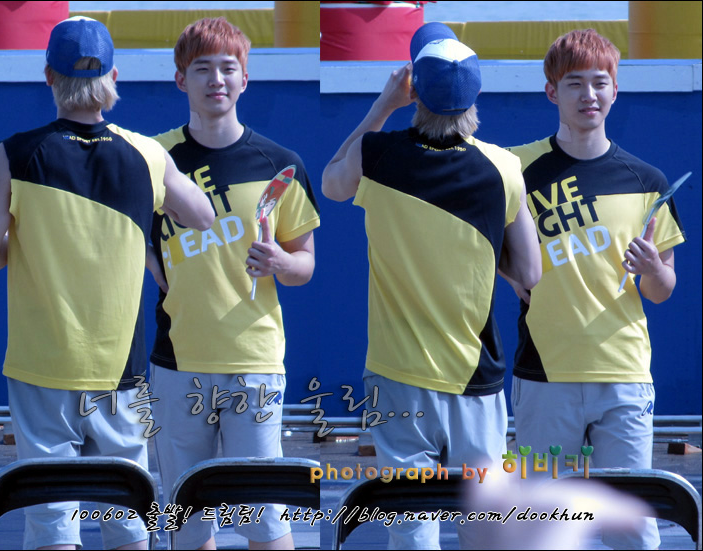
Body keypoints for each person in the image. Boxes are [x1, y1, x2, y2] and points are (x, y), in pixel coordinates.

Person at [0, 16, 215, 551]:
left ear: (49, 77)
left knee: (52, 520)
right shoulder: (147, 154)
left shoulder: (15, 154)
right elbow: (202, 216)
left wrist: (30, 242)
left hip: (41, 366)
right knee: (129, 517)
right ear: (113, 78)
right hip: (120, 368)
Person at [322, 22, 541, 549]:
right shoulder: (504, 168)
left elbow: (330, 183)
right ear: (476, 95)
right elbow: (531, 274)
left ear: (414, 90)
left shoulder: (375, 155)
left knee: (411, 528)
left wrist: (383, 106)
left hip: (396, 373)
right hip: (474, 376)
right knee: (485, 529)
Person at [505, 29, 686, 550]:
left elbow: (662, 289)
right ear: (551, 92)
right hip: (544, 375)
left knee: (632, 529)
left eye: (599, 83)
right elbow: (480, 240)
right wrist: (509, 272)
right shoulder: (514, 170)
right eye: (574, 83)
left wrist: (652, 268)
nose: (589, 95)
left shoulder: (647, 182)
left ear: (615, 90)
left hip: (623, 376)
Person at [144, 17, 320, 550]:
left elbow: (305, 265)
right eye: (202, 68)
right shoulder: (152, 159)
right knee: (188, 525)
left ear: (245, 78)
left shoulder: (280, 165)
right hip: (177, 362)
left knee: (265, 521)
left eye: (227, 68)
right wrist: (155, 268)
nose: (216, 79)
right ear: (181, 79)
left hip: (254, 363)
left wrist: (281, 263)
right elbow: (131, 236)